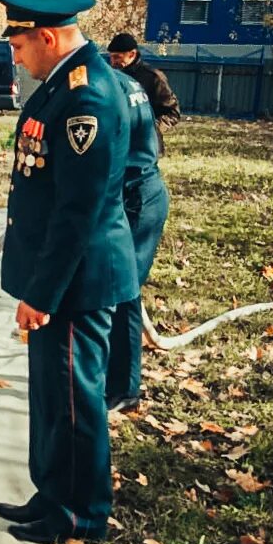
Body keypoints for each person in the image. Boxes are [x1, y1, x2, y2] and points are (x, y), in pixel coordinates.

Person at [0, 0, 139, 544]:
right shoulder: (60, 87)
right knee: (53, 396)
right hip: (58, 278)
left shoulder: (87, 97)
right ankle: (52, 494)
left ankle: (80, 514)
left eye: (19, 46)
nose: (16, 55)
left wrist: (42, 294)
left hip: (77, 283)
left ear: (47, 36)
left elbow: (78, 211)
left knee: (76, 402)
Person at [106, 69, 170, 413]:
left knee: (124, 290)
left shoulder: (99, 85)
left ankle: (125, 388)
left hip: (137, 197)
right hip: (136, 189)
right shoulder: (118, 79)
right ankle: (109, 375)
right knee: (115, 287)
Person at [107, 33, 181, 155]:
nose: (113, 62)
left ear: (132, 54)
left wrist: (151, 127)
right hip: (117, 144)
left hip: (145, 146)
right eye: (111, 57)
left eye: (117, 57)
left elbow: (172, 112)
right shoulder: (111, 76)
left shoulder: (153, 77)